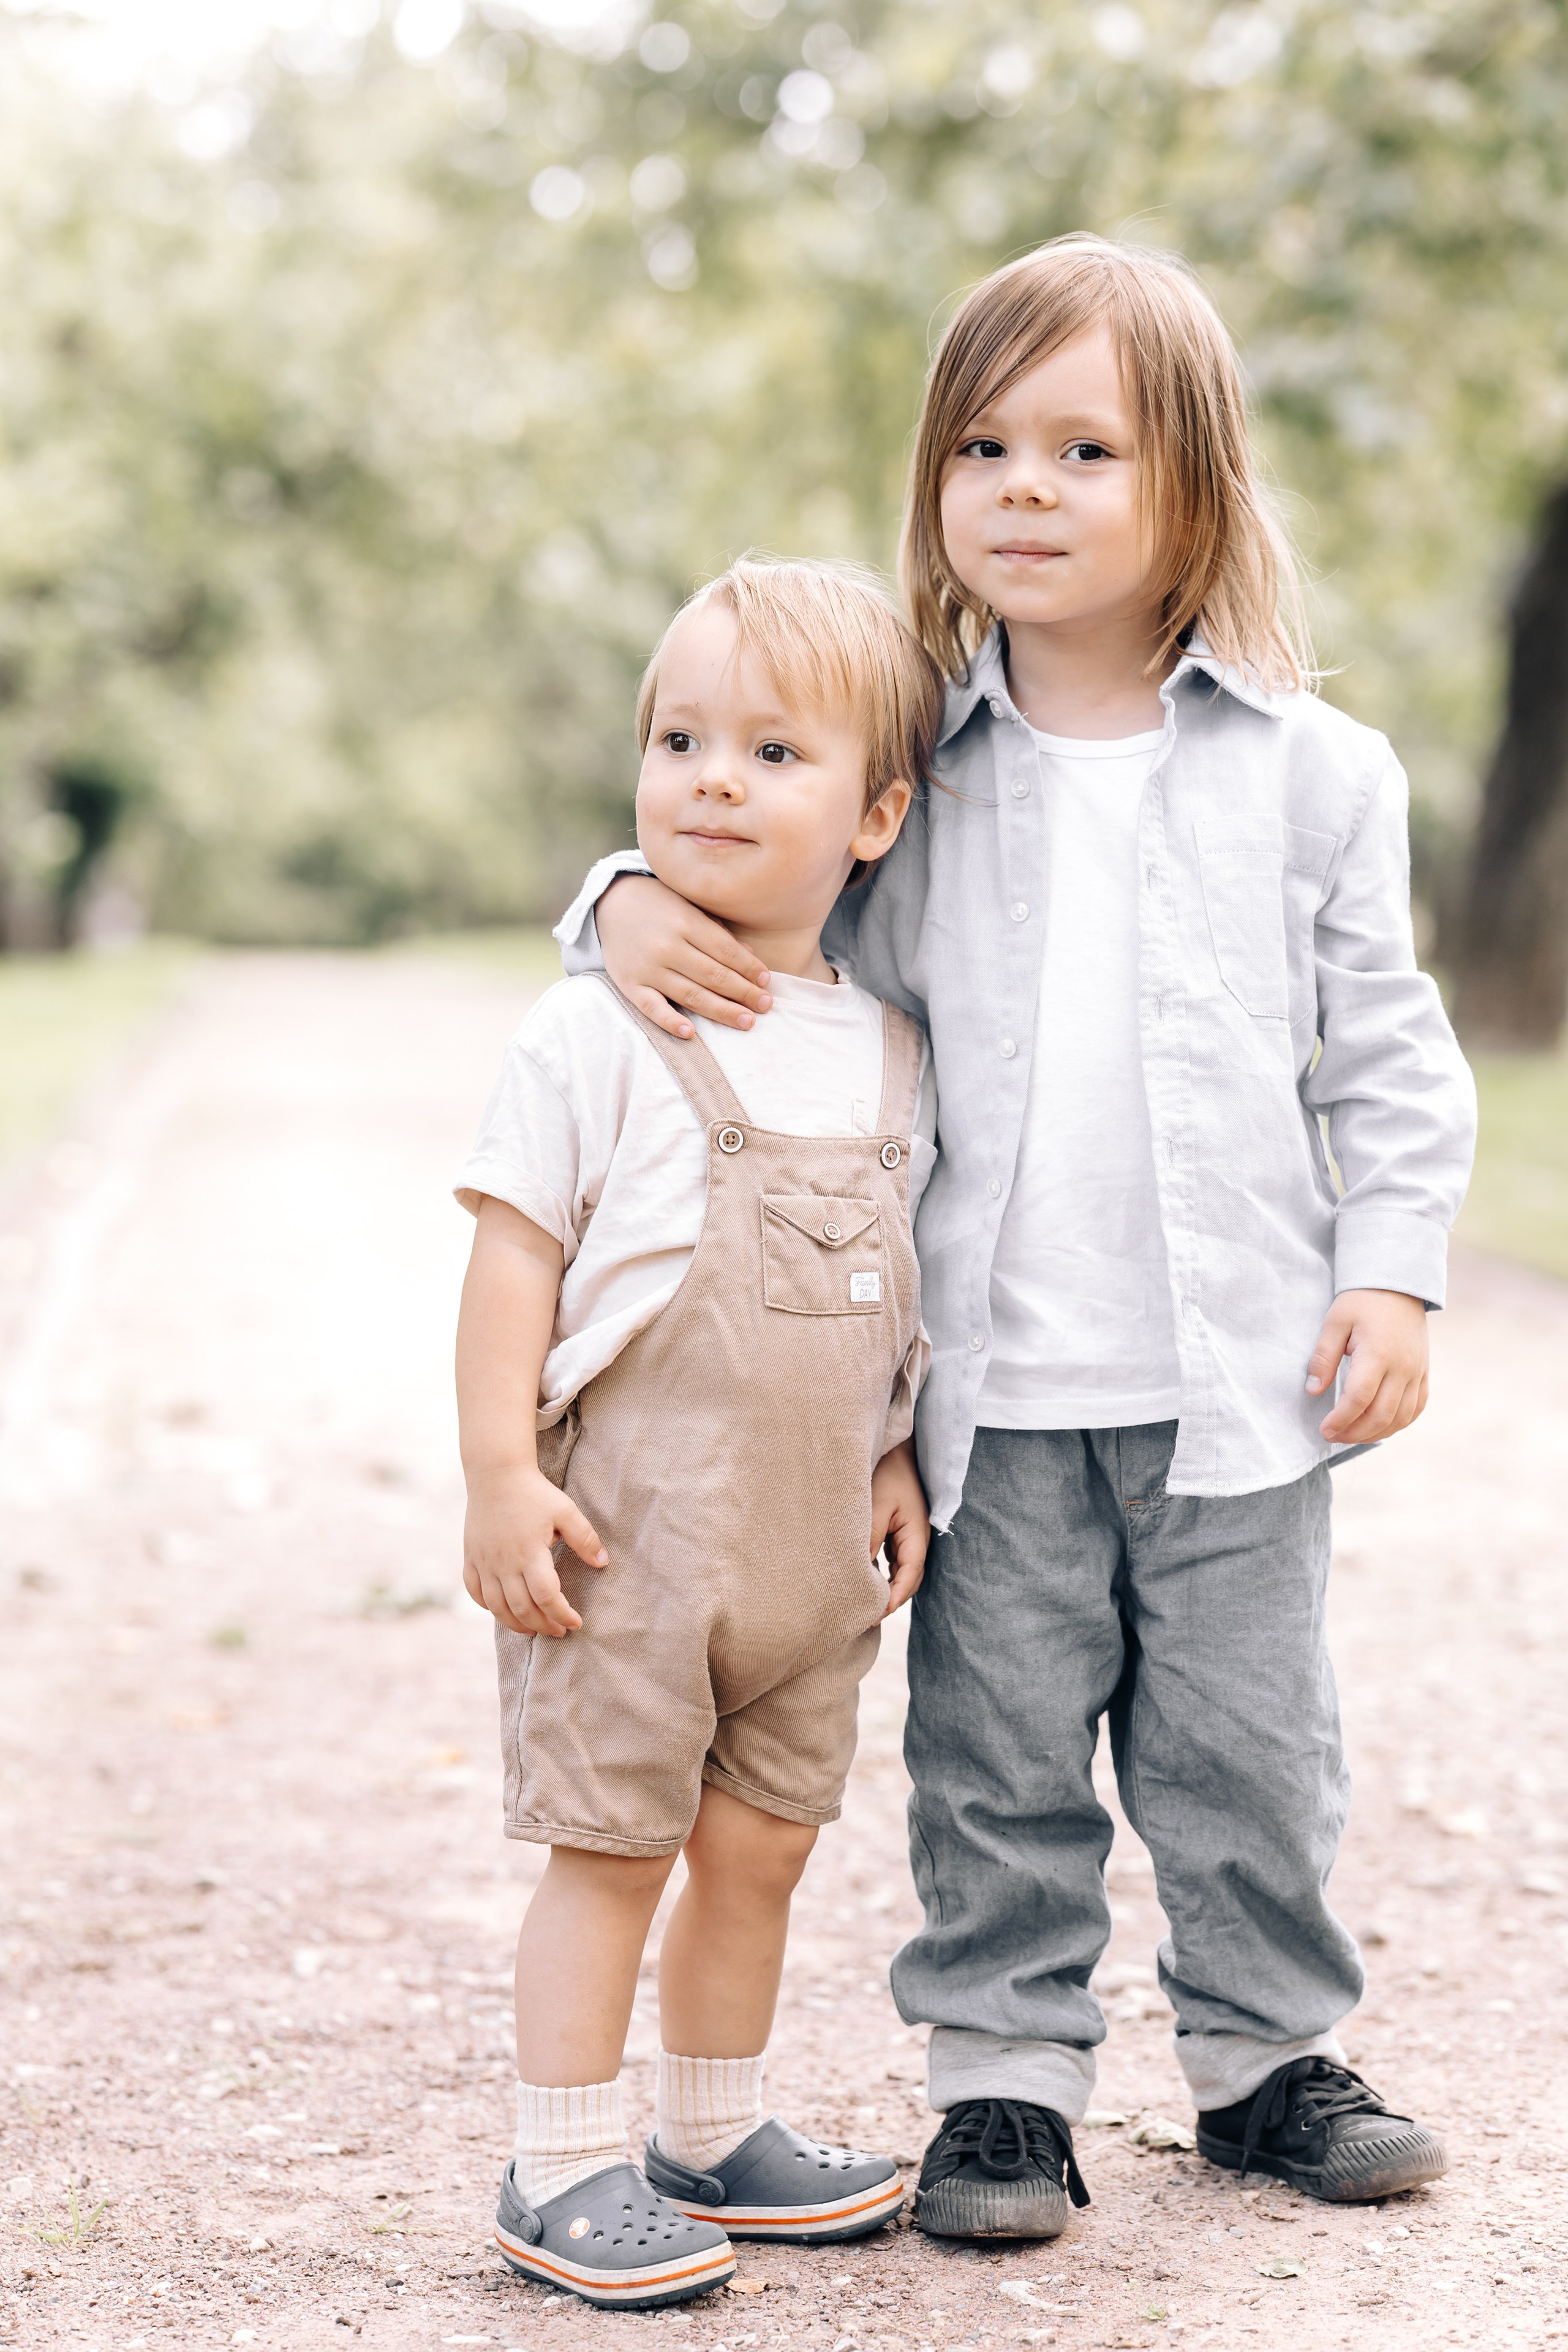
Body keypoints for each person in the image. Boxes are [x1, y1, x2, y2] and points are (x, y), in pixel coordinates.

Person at [557, 235, 1479, 2238]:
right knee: (993, 1765)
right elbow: (749, 873)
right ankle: (1000, 2079)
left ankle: (1262, 2061)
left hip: (1241, 1387)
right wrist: (625, 895)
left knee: (1250, 1752)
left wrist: (1392, 1265)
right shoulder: (916, 773)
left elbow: (1390, 1057)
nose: (1028, 488)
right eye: (985, 444)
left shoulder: (1318, 777)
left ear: (1199, 489)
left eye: (1086, 448)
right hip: (985, 1395)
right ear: (935, 482)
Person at [454, 557, 944, 2307]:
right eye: (680, 738)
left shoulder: (893, 1048)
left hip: (809, 1554)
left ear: (877, 813)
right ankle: (560, 2159)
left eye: (770, 750)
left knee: (761, 1845)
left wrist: (893, 1455)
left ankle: (711, 2130)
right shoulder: (594, 1022)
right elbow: (515, 1252)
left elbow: (887, 1292)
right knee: (617, 1845)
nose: (713, 778)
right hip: (630, 1544)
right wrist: (501, 1472)